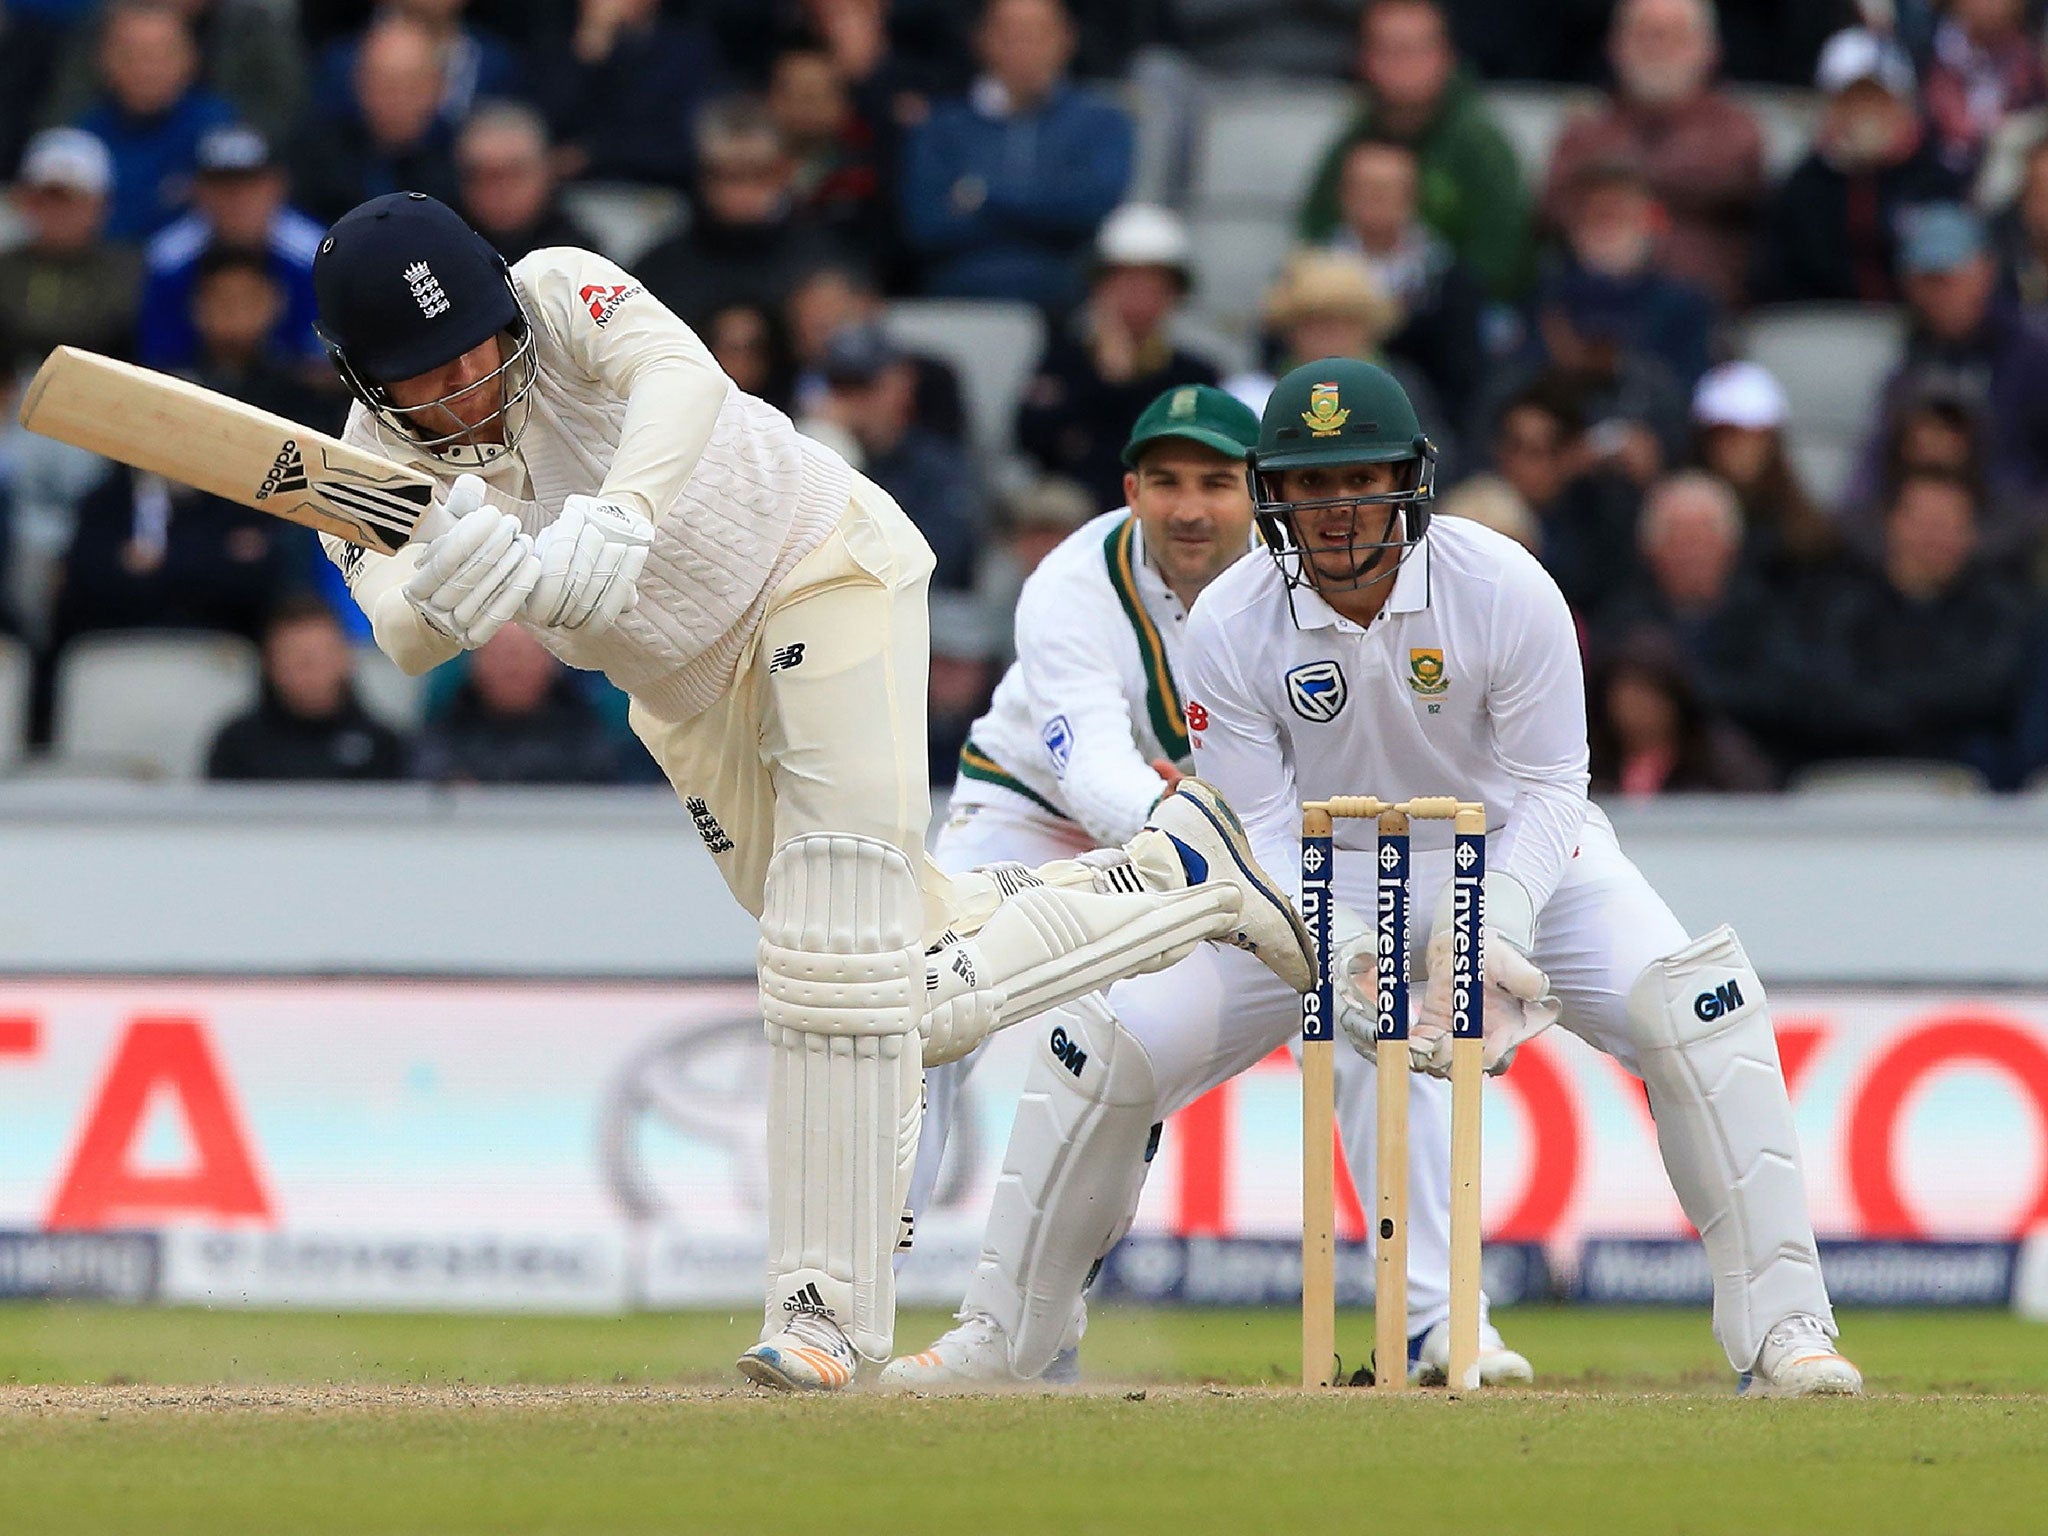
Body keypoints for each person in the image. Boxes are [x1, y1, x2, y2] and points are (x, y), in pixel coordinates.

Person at [309, 190, 1317, 1390]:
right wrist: (439, 589)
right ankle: (1178, 875)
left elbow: (679, 380)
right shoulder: (362, 467)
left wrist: (621, 512)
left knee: (848, 959)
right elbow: (398, 635)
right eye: (431, 374)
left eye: (479, 344)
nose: (471, 381)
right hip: (682, 697)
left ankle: (823, 1316)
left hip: (815, 568)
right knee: (881, 964)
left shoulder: (560, 289)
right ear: (369, 381)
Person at [1169, 354, 1862, 1397]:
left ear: (1410, 477)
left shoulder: (1502, 586)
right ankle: (1435, 1329)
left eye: (1359, 477)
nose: (1336, 510)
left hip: (1526, 854)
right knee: (1135, 1045)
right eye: (1309, 485)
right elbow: (1256, 823)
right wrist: (1340, 947)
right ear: (1271, 493)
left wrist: (1493, 921)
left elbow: (1551, 785)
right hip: (1333, 868)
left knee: (1703, 1015)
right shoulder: (1226, 620)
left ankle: (1786, 1332)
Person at [887, 382, 1532, 1389]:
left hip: (1228, 840)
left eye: (1218, 484)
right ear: (1131, 491)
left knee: (1363, 1009)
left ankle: (1435, 1323)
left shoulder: (1312, 574)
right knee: (921, 994)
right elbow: (1090, 766)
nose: (1191, 509)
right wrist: (1194, 840)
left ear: (1256, 489)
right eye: (1167, 483)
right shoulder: (1068, 582)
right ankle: (844, 1306)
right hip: (1040, 812)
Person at [898, 0, 1133, 309]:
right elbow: (927, 227)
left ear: (1068, 39)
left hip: (1068, 301)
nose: (1026, 48)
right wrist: (1046, 213)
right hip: (958, 300)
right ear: (980, 40)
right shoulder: (940, 128)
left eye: (1039, 34)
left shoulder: (1104, 121)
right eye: (1011, 34)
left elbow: (1092, 208)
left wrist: (983, 197)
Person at [1297, 0, 1531, 302]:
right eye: (1388, 49)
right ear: (1364, 59)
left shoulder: (1481, 144)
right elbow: (1315, 236)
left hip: (1454, 311)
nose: (1402, 64)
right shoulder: (1351, 140)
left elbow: (1501, 256)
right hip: (1357, 310)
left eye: (1416, 49)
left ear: (1447, 56)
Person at [1851, 202, 2048, 559]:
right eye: (1923, 280)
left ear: (1986, 272)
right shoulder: (1909, 365)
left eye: (1947, 278)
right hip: (1920, 536)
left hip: (2018, 534)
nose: (1936, 294)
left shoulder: (2033, 357)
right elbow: (1872, 473)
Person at [1805, 467, 2031, 776]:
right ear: (1893, 523)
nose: (1935, 537)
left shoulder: (2000, 611)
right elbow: (1827, 696)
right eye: (1925, 523)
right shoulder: (1841, 605)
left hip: (1964, 775)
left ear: (1972, 534)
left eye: (1949, 525)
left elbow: (1991, 691)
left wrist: (1892, 702)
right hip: (1850, 767)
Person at [1542, 0, 1765, 307]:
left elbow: (1729, 173)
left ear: (1710, 50)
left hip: (1703, 323)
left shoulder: (1735, 129)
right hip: (1590, 317)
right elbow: (1554, 204)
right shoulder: (1583, 130)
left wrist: (1613, 189)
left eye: (1674, 35)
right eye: (1645, 34)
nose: (1658, 48)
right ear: (1614, 46)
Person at [1016, 205, 1221, 506]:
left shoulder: (1195, 373)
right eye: (1125, 283)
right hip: (1075, 515)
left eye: (1152, 286)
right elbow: (1031, 440)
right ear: (1099, 288)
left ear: (1173, 295)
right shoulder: (1064, 359)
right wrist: (1105, 380)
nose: (1137, 297)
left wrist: (1121, 384)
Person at [1752, 28, 1965, 305]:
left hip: (1916, 335)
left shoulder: (1936, 181)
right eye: (1850, 101)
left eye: (1877, 101)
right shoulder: (1802, 187)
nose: (1864, 116)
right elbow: (1775, 280)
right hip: (1826, 333)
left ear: (1904, 107)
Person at [636, 96, 848, 333]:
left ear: (782, 174)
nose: (742, 192)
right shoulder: (662, 268)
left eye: (757, 174)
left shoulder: (821, 261)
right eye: (729, 176)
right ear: (704, 178)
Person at [1321, 135, 1486, 423]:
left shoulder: (1449, 282)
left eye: (1386, 189)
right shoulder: (1309, 274)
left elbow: (1462, 380)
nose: (1375, 198)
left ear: (1412, 198)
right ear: (1343, 195)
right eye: (1364, 187)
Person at [138, 124, 325, 373]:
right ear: (199, 189)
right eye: (222, 185)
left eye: (249, 184)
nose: (236, 198)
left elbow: (322, 362)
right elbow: (160, 360)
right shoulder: (168, 258)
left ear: (277, 185)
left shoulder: (315, 255)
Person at [73, 0, 238, 241]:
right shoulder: (84, 139)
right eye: (131, 55)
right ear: (104, 61)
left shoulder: (219, 130)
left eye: (160, 55)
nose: (146, 69)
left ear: (190, 60)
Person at [207, 594, 408, 781]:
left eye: (324, 657)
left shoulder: (384, 745)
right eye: (300, 660)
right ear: (270, 664)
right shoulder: (237, 746)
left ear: (346, 659)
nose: (313, 672)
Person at [531, 0, 728, 190]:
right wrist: (588, 53)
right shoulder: (555, 46)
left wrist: (593, 154)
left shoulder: (688, 52)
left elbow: (683, 144)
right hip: (569, 195)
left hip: (658, 192)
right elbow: (542, 125)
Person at [288, 16, 463, 225]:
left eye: (412, 86)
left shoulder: (462, 158)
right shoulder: (315, 152)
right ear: (358, 84)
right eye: (385, 86)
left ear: (438, 88)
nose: (397, 100)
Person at [0, 129, 141, 381]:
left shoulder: (131, 271)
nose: (58, 211)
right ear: (24, 200)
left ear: (102, 204)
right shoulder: (5, 267)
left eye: (73, 199)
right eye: (47, 197)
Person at [412, 621, 623, 783]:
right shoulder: (447, 730)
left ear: (551, 663)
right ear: (476, 665)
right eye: (501, 655)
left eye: (523, 655)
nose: (512, 668)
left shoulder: (584, 732)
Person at [1687, 361, 1838, 578]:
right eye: (1725, 435)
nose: (1737, 448)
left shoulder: (1805, 541)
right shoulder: (1675, 521)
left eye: (1751, 435)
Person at [1587, 632, 1777, 796]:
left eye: (1649, 697)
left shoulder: (1720, 759)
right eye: (1627, 698)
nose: (1637, 710)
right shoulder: (1590, 760)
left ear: (1675, 698)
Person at [454, 101, 597, 263]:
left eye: (515, 174)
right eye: (485, 176)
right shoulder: (442, 246)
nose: (501, 190)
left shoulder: (579, 257)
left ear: (546, 172)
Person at [1921, 0, 2042, 177]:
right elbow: (1952, 124)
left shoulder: (2025, 51)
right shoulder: (1929, 43)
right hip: (1938, 174)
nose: (1994, 6)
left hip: (2008, 171)